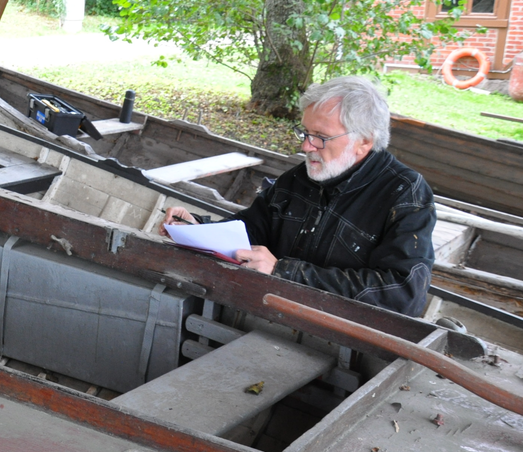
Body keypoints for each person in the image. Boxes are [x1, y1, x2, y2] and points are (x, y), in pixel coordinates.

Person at [162, 76, 435, 317]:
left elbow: (403, 295)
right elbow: (253, 229)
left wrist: (284, 271)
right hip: (270, 314)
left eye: (320, 137)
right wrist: (200, 228)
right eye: (305, 132)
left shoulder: (404, 193)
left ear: (364, 140)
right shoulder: (300, 177)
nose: (306, 146)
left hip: (342, 337)